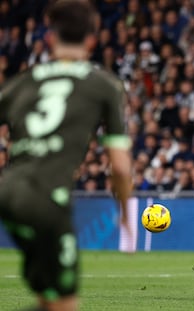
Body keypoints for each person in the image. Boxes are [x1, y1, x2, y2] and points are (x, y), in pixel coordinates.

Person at [0, 1, 132, 311]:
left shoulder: (25, 80)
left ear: (48, 39)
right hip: (47, 200)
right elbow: (122, 167)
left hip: (7, 193)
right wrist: (126, 214)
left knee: (49, 299)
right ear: (92, 40)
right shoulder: (105, 85)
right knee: (65, 304)